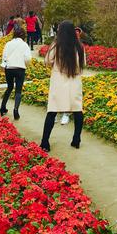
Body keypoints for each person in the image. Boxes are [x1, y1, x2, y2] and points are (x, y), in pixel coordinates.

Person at [40, 20, 86, 151]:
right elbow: (83, 64)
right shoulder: (80, 46)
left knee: (52, 110)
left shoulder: (57, 45)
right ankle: (76, 140)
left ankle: (45, 142)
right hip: (74, 81)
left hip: (58, 81)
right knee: (77, 110)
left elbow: (48, 60)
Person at [0, 25, 32, 120]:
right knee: (18, 90)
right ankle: (16, 110)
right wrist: (25, 64)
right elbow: (28, 58)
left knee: (9, 87)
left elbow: (4, 57)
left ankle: (2, 108)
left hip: (9, 68)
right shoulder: (24, 45)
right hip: (20, 68)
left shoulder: (8, 44)